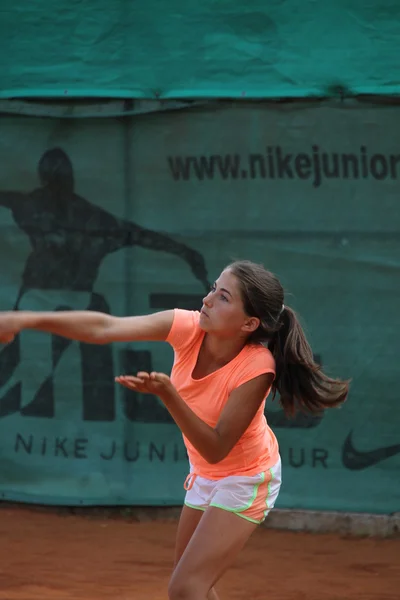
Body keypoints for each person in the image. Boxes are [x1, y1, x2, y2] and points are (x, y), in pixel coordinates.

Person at [0, 260, 349, 600]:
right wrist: (26, 318)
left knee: (184, 587)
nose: (207, 299)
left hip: (247, 478)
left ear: (249, 324)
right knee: (193, 585)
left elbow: (216, 448)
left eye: (224, 297)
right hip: (205, 474)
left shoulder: (258, 367)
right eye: (214, 288)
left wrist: (168, 394)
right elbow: (105, 328)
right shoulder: (189, 326)